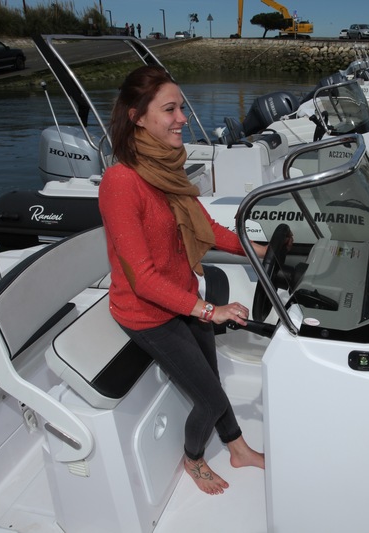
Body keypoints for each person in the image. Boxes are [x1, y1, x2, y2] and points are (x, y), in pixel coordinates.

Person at [99, 66, 267, 495]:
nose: (182, 118)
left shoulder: (167, 172)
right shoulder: (122, 182)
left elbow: (206, 228)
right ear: (138, 117)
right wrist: (212, 311)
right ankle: (193, 460)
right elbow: (142, 279)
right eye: (170, 109)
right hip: (146, 314)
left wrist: (257, 250)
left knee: (211, 378)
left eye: (182, 108)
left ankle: (238, 448)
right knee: (209, 398)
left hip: (183, 297)